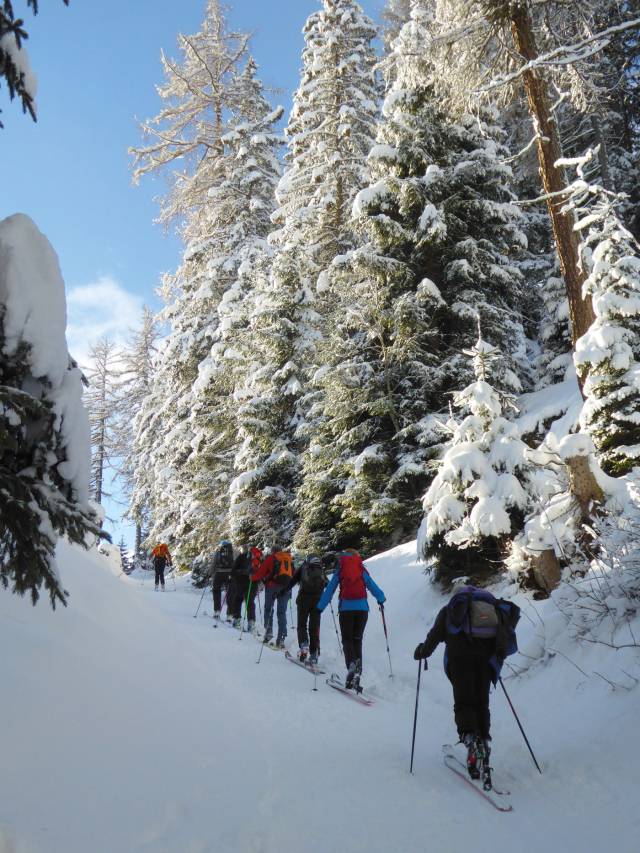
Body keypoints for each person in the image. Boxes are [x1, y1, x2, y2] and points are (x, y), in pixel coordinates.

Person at [413, 584, 520, 780]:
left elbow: (435, 636)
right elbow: (503, 634)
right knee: (481, 703)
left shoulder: (450, 611)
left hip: (459, 661)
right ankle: (484, 742)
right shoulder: (491, 609)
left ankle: (470, 740)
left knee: (464, 703)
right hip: (486, 663)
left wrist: (422, 651)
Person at [317, 547, 385, 690]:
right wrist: (381, 598)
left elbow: (330, 589)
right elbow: (371, 585)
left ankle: (351, 667)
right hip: (362, 610)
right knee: (357, 640)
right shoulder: (361, 568)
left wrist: (320, 607)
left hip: (346, 610)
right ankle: (357, 673)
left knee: (347, 640)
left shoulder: (341, 569)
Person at [278, 554, 327, 664]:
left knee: (302, 625)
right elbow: (326, 583)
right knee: (314, 627)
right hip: (318, 602)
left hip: (304, 600)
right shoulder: (321, 569)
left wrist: (283, 591)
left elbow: (293, 581)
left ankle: (304, 646)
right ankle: (314, 654)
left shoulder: (304, 567)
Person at [251, 546, 294, 648]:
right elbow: (293, 573)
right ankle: (281, 639)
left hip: (272, 587)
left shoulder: (271, 558)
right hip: (286, 588)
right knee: (282, 612)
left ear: (273, 551)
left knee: (268, 609)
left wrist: (253, 577)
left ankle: (268, 633)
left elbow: (261, 572)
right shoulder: (288, 558)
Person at [228, 545, 258, 631]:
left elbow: (233, 570)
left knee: (238, 599)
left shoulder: (241, 557)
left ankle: (237, 620)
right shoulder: (258, 558)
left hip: (241, 582)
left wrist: (235, 575)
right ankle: (251, 623)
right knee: (250, 602)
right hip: (253, 583)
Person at [211, 540, 234, 620]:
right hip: (229, 575)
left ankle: (217, 611)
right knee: (230, 593)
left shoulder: (218, 552)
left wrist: (210, 573)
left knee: (216, 591)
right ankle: (230, 615)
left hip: (219, 573)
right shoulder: (233, 552)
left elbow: (214, 563)